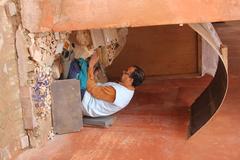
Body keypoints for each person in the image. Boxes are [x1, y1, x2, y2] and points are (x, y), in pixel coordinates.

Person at [75, 53, 145, 117]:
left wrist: (91, 65)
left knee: (76, 67)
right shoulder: (127, 89)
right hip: (91, 97)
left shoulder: (116, 92)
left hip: (86, 102)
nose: (123, 72)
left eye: (126, 72)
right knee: (85, 69)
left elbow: (91, 88)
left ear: (130, 80)